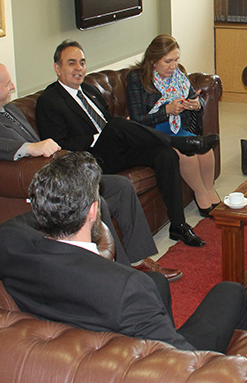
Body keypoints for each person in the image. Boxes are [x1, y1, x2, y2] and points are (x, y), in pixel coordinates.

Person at [0, 152, 247, 352]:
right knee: (231, 291)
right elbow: (182, 360)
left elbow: (12, 228)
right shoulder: (126, 287)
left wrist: (50, 208)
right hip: (145, 361)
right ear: (94, 212)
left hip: (75, 329)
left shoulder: (4, 244)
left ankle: (160, 328)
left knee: (155, 282)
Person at [0, 60, 181, 281]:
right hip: (44, 189)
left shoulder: (8, 109)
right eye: (8, 84)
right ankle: (122, 274)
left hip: (60, 174)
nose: (12, 87)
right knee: (96, 201)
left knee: (121, 186)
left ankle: (138, 261)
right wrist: (29, 147)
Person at [35, 40, 215, 247]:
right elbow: (59, 143)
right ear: (57, 68)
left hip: (115, 149)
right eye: (72, 63)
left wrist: (117, 131)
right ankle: (182, 142)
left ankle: (178, 225)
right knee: (117, 126)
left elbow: (108, 121)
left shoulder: (90, 90)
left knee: (166, 153)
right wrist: (99, 136)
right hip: (89, 158)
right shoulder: (49, 100)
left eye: (82, 63)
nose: (79, 68)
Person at [127, 35, 221, 217]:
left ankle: (210, 191)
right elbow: (136, 120)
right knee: (188, 156)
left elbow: (195, 98)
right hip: (153, 133)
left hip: (177, 129)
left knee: (205, 150)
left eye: (176, 60)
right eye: (168, 61)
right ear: (153, 61)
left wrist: (196, 104)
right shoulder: (137, 79)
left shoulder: (179, 75)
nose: (173, 66)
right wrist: (167, 110)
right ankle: (200, 194)